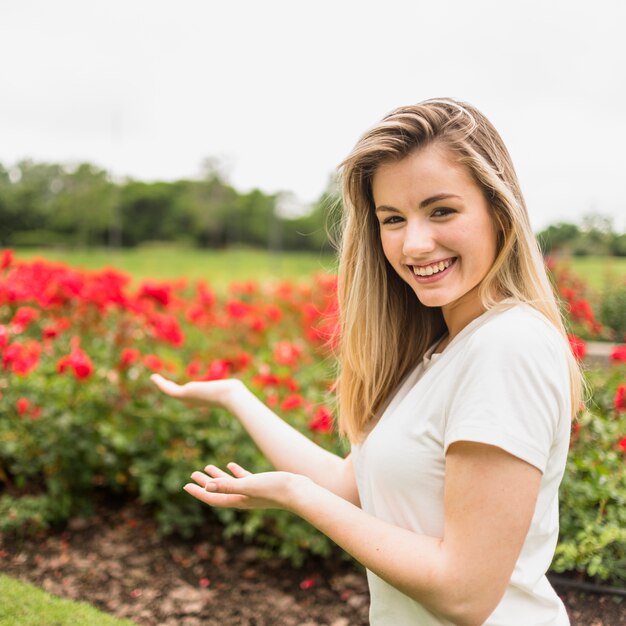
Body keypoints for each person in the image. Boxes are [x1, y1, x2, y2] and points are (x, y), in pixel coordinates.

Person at [151, 97, 583, 626]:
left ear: (498, 209)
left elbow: (465, 594)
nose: (415, 244)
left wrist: (294, 495)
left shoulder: (507, 345)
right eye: (393, 219)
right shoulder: (441, 351)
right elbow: (351, 489)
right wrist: (235, 395)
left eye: (441, 210)